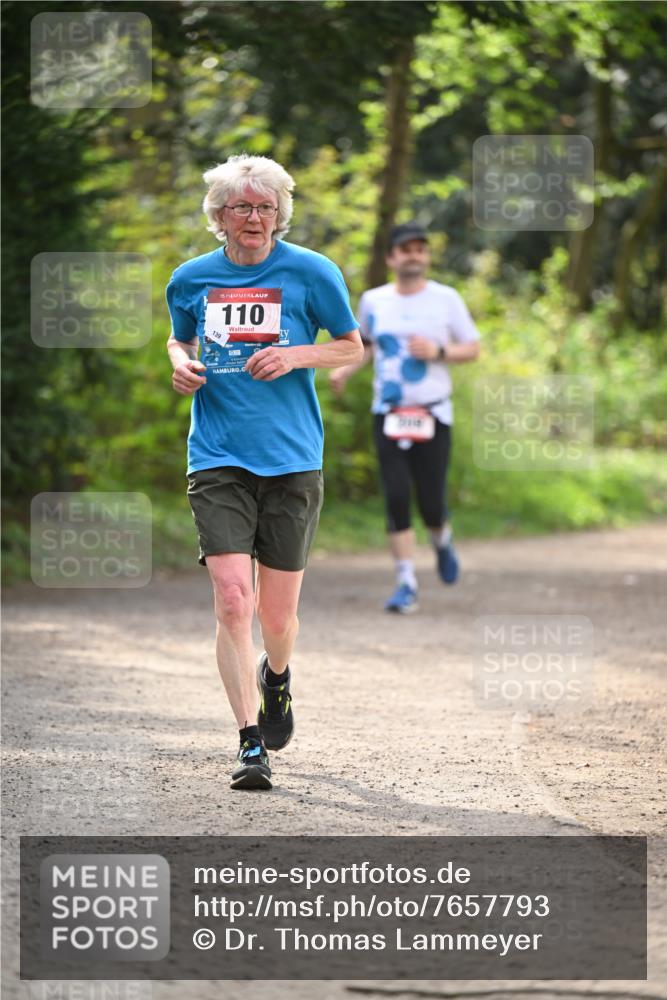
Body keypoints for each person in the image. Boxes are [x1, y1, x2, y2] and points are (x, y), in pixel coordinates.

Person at [166, 154, 363, 790]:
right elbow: (180, 337)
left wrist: (296, 355)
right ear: (219, 217)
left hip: (292, 458)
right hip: (217, 454)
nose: (256, 218)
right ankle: (251, 744)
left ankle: (276, 676)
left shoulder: (311, 270)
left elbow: (350, 346)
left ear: (280, 214)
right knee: (232, 600)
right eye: (243, 208)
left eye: (267, 207)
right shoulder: (191, 278)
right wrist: (180, 361)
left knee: (276, 618)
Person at [330, 222, 480, 614]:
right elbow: (364, 345)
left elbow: (473, 348)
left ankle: (442, 541)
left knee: (431, 502)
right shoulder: (374, 300)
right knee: (396, 496)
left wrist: (439, 352)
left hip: (433, 412)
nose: (414, 254)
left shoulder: (446, 299)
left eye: (420, 249)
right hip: (389, 413)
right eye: (406, 249)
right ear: (392, 258)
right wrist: (345, 370)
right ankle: (406, 582)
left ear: (426, 257)